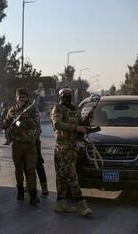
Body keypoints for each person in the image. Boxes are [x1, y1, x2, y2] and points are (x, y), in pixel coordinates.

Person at [50, 87, 92, 216]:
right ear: (60, 95)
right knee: (72, 176)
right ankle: (81, 205)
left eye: (69, 93)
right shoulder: (58, 108)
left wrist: (86, 121)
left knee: (62, 176)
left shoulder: (74, 109)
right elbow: (57, 124)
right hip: (62, 147)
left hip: (73, 147)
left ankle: (61, 204)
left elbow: (80, 123)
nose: (67, 96)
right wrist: (76, 128)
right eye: (65, 94)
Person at [3, 88, 40, 206]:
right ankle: (20, 192)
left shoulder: (33, 110)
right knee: (18, 169)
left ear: (27, 98)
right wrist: (9, 128)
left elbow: (37, 127)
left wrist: (24, 119)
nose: (22, 99)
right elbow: (5, 124)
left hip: (30, 145)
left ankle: (33, 195)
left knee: (30, 170)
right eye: (20, 97)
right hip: (17, 145)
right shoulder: (12, 111)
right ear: (16, 98)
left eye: (24, 97)